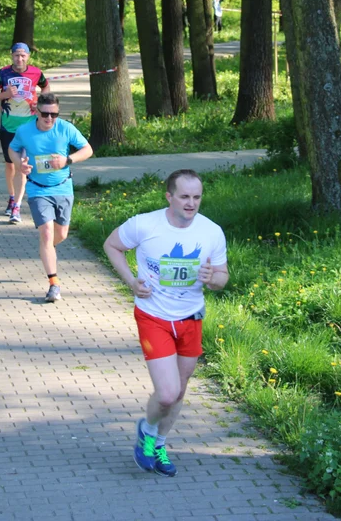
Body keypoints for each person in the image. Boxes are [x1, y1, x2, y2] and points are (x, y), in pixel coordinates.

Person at [102, 169, 229, 477]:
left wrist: (213, 278)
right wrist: (131, 281)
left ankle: (159, 443)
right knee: (168, 393)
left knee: (180, 391)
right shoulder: (145, 224)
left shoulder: (211, 231)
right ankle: (146, 430)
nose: (191, 203)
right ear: (169, 197)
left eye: (197, 197)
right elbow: (111, 245)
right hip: (154, 317)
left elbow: (223, 278)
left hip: (191, 319)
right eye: (184, 197)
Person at [9, 92, 93, 302]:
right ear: (36, 112)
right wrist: (20, 164)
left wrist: (68, 160)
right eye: (45, 114)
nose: (49, 119)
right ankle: (54, 284)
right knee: (46, 233)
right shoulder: (24, 130)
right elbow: (13, 149)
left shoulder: (65, 128)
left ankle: (47, 250)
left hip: (63, 187)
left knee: (60, 235)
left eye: (54, 114)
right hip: (37, 189)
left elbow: (87, 149)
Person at [0, 42, 50, 224]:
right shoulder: (3, 73)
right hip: (7, 126)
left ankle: (17, 207)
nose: (19, 59)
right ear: (11, 56)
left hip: (28, 127)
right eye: (16, 55)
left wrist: (41, 102)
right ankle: (12, 197)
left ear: (28, 56)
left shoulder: (36, 73)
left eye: (23, 55)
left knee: (22, 164)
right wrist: (3, 95)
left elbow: (45, 85)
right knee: (10, 165)